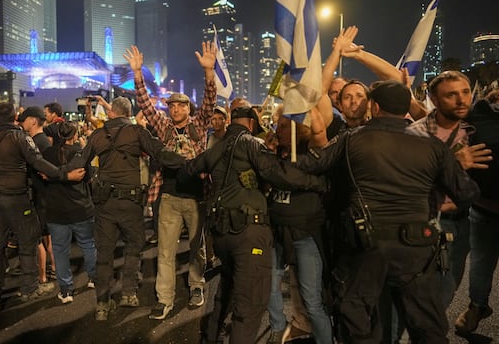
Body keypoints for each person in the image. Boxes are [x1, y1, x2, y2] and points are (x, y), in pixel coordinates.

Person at [294, 80, 480, 342]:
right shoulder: (433, 145)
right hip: (417, 246)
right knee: (427, 325)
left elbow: (312, 164)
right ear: (405, 108)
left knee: (355, 310)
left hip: (366, 245)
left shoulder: (351, 138)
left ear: (375, 106)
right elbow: (467, 193)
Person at [183, 106, 328, 344]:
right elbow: (277, 173)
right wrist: (318, 183)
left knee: (228, 289)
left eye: (283, 126)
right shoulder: (252, 144)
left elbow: (187, 170)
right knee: (250, 303)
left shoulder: (216, 148)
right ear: (251, 124)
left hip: (226, 234)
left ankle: (213, 336)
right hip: (249, 233)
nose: (277, 130)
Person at [0, 102, 85, 314]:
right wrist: (64, 175)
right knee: (28, 242)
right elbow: (39, 163)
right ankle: (29, 288)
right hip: (17, 199)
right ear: (15, 117)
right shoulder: (22, 138)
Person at [65, 96, 186, 321]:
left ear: (112, 113)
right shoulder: (137, 133)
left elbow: (79, 162)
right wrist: (187, 163)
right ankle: (128, 293)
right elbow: (160, 153)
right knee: (133, 246)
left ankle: (102, 303)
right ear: (128, 113)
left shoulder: (98, 134)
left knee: (105, 252)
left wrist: (60, 174)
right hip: (131, 203)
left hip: (105, 204)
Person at [127, 43, 216, 319]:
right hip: (168, 196)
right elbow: (144, 104)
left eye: (180, 105)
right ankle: (164, 298)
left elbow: (211, 102)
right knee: (165, 251)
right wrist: (138, 74)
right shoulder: (163, 127)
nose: (175, 109)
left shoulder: (198, 126)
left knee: (197, 247)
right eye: (172, 106)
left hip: (195, 196)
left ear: (189, 108)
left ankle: (196, 286)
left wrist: (209, 72)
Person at [408, 71, 490, 309]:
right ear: (433, 98)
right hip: (425, 221)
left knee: (445, 293)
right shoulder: (416, 134)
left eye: (465, 92)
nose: (462, 100)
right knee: (414, 296)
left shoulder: (474, 132)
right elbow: (408, 183)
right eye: (451, 95)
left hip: (462, 223)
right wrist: (453, 165)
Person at [267, 109, 333, 344]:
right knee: (269, 285)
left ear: (298, 128)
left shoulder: (310, 151)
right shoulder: (275, 153)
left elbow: (318, 129)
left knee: (312, 300)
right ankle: (277, 327)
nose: (278, 130)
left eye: (284, 126)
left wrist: (306, 97)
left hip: (305, 235)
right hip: (277, 234)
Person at [454, 89, 499, 334]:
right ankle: (477, 306)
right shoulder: (478, 116)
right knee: (480, 267)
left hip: (483, 210)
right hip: (485, 212)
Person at [42, 121, 97, 305]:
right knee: (88, 244)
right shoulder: (79, 153)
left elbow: (42, 177)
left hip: (57, 210)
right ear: (74, 135)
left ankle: (66, 290)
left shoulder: (47, 154)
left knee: (60, 250)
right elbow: (88, 177)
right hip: (81, 207)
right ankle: (93, 278)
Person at [19, 106, 57, 288]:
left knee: (40, 237)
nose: (21, 123)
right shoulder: (45, 141)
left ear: (33, 120)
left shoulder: (35, 143)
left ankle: (42, 276)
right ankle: (55, 269)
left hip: (39, 194)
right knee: (48, 235)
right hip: (46, 195)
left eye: (24, 119)